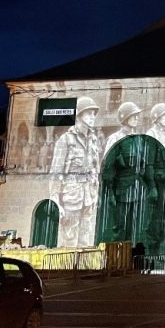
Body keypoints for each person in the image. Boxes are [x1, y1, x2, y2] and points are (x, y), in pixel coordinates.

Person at [49, 97, 103, 247]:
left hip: (88, 197)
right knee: (69, 241)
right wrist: (55, 202)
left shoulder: (93, 140)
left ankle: (83, 271)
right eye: (89, 113)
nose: (92, 117)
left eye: (94, 114)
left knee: (85, 241)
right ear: (79, 115)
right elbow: (55, 173)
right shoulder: (65, 140)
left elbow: (96, 170)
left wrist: (96, 195)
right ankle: (66, 271)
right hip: (71, 197)